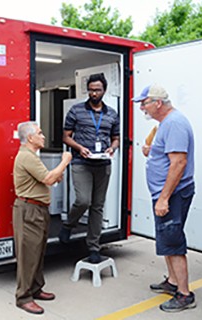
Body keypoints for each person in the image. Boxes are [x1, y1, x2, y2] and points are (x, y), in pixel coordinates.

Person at [133, 84, 196, 312]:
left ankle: (184, 294)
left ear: (157, 103)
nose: (142, 108)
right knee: (167, 241)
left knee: (173, 241)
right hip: (166, 194)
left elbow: (179, 163)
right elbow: (168, 154)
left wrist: (164, 198)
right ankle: (172, 282)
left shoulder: (175, 124)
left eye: (144, 103)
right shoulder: (165, 124)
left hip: (173, 195)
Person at [58, 73, 120, 263]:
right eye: (91, 90)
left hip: (102, 163)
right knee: (84, 200)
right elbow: (65, 136)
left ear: (104, 90)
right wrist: (79, 148)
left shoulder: (112, 114)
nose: (94, 93)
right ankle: (69, 224)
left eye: (98, 90)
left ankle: (93, 246)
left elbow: (116, 138)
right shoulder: (76, 111)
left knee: (97, 206)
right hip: (81, 162)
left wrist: (112, 148)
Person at [13, 121, 72, 315]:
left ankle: (36, 288)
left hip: (37, 210)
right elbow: (47, 179)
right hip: (29, 210)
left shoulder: (31, 156)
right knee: (28, 255)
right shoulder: (27, 157)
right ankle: (23, 297)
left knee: (37, 252)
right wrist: (64, 161)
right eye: (40, 133)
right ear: (30, 138)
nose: (44, 136)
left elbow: (47, 177)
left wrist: (56, 174)